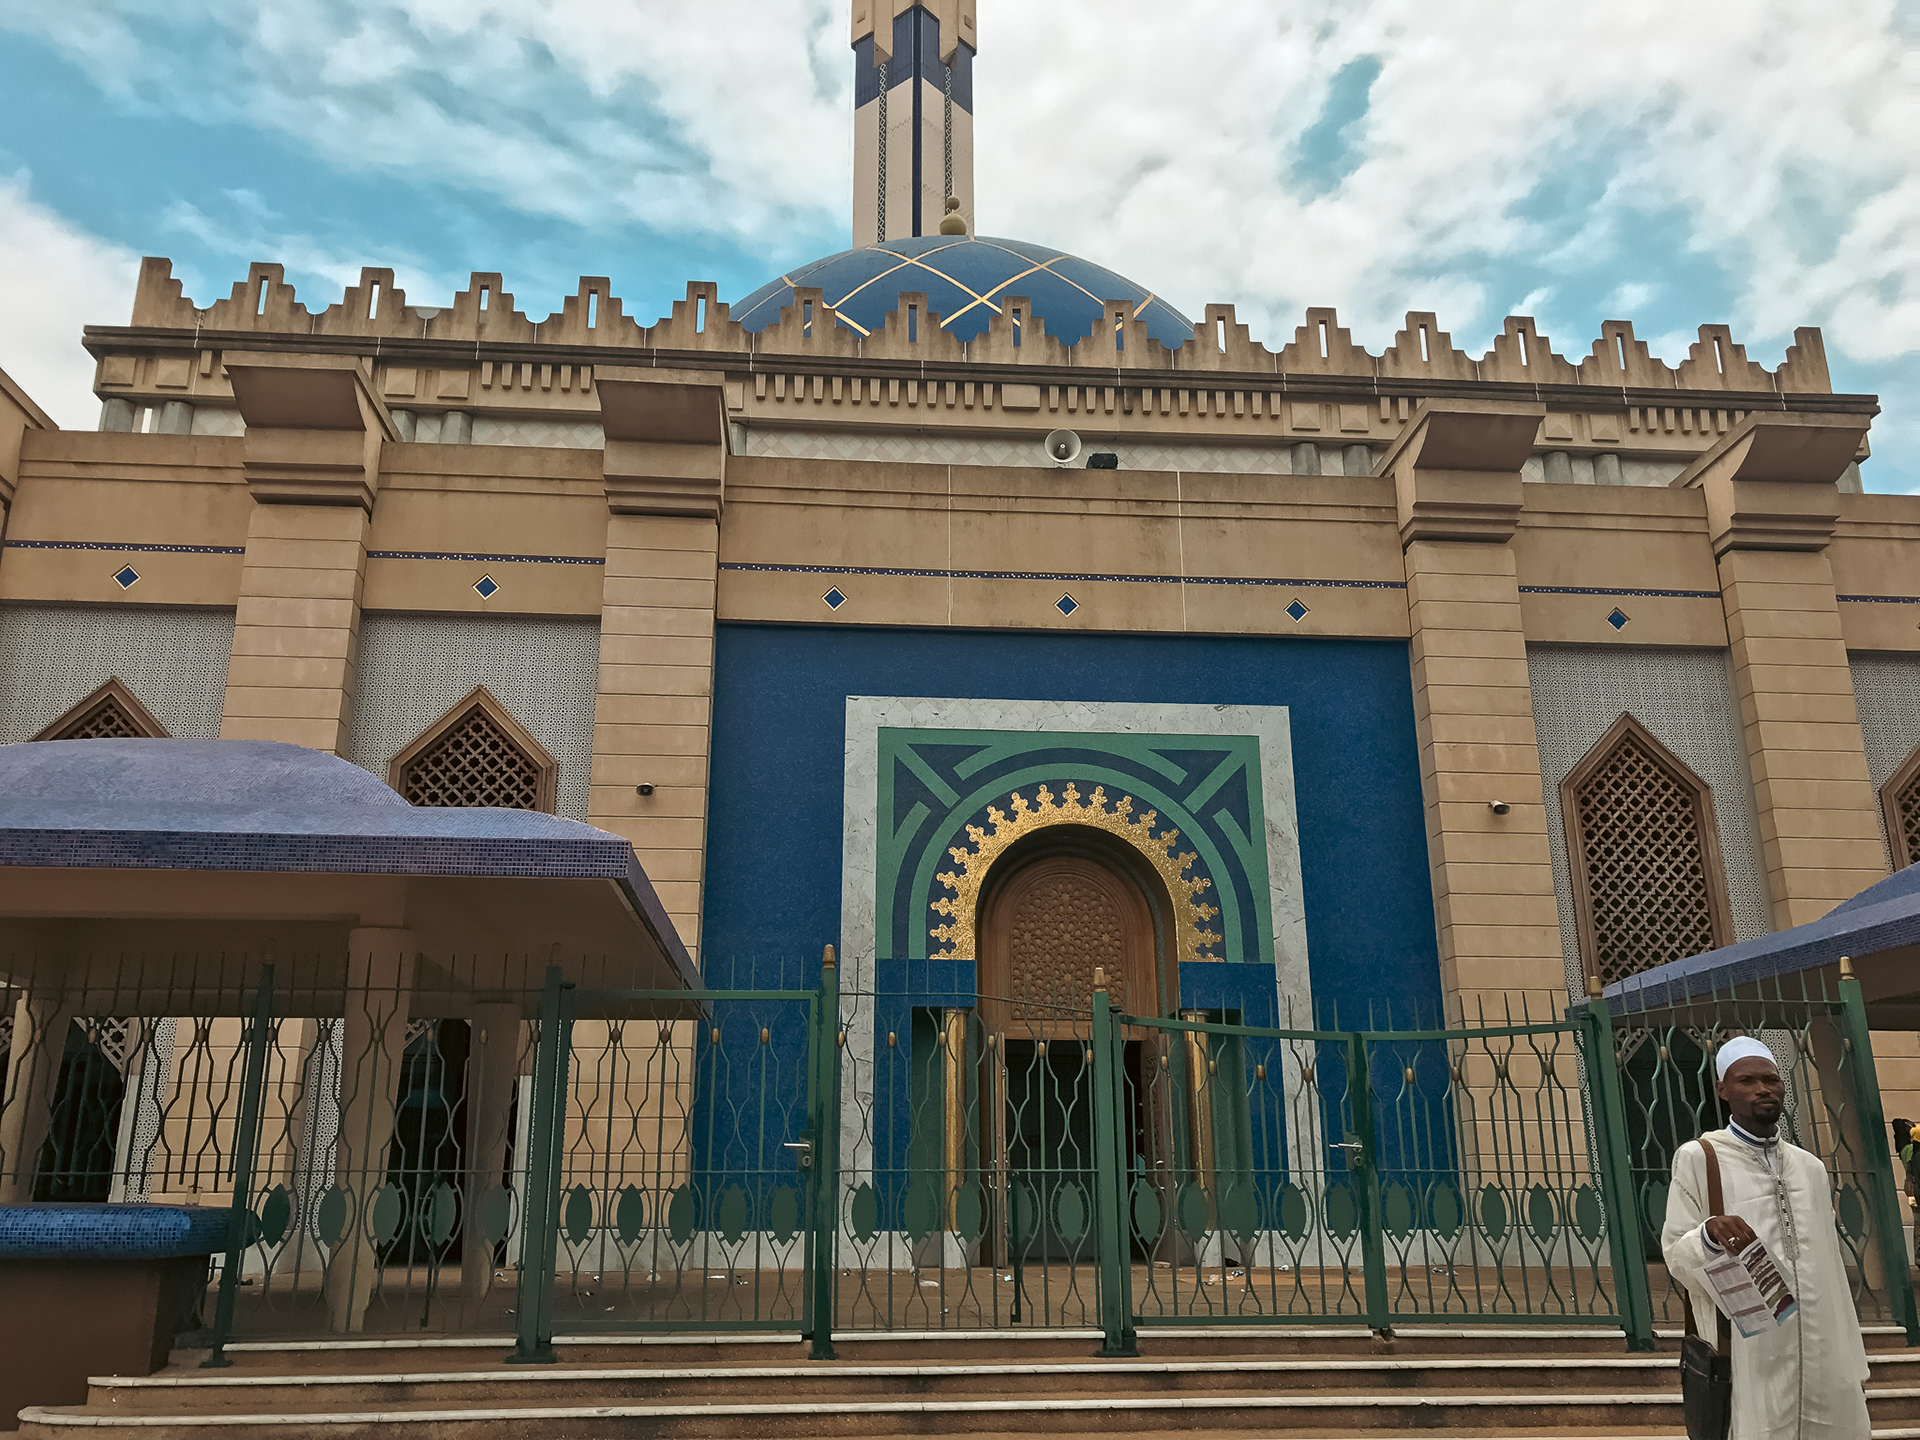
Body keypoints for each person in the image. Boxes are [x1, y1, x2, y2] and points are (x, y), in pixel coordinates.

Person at [1662, 1036, 1871, 1439]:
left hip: (1823, 1338)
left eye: (1770, 1080)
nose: (1762, 1089)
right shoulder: (1700, 1157)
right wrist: (1707, 1235)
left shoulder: (1808, 1167)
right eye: (1746, 1081)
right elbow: (1675, 1252)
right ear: (1723, 1089)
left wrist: (1851, 1354)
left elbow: (1830, 1265)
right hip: (1751, 1345)